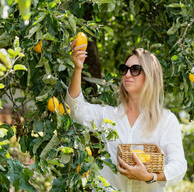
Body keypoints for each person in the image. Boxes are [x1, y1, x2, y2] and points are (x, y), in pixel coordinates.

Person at [65, 42, 187, 192]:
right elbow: (76, 111)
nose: (127, 74)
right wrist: (78, 68)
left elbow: (179, 165)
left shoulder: (166, 120)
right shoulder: (108, 116)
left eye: (135, 69)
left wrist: (151, 177)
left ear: (150, 75)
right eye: (125, 69)